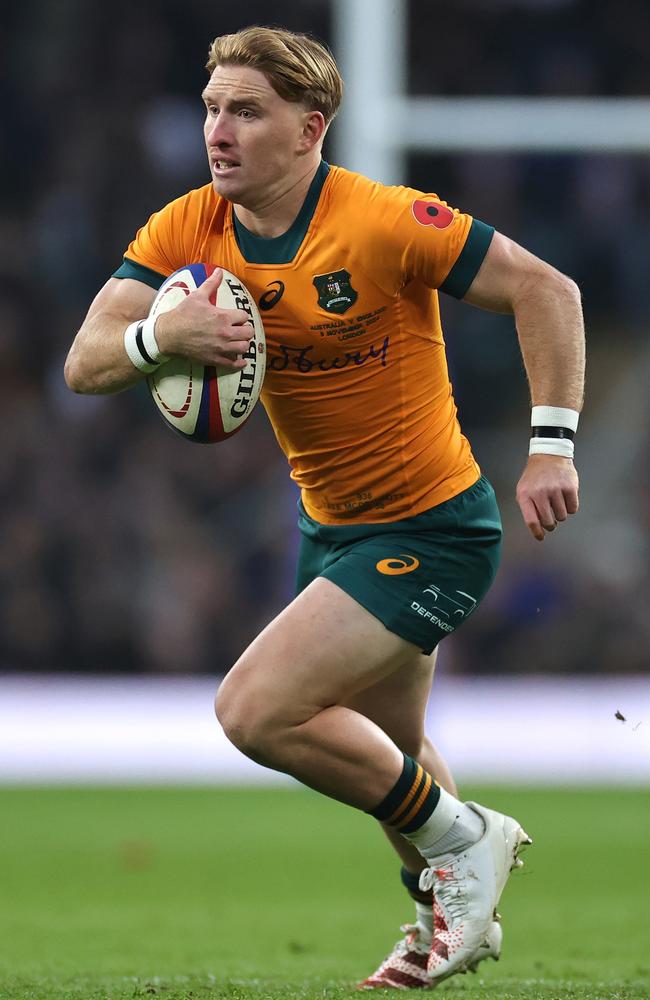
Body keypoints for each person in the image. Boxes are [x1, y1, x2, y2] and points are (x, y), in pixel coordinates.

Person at [64, 25, 585, 989]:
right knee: (395, 751)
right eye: (213, 107)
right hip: (334, 526)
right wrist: (159, 336)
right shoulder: (186, 229)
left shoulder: (386, 221)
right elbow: (85, 361)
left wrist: (550, 445)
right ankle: (449, 920)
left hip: (435, 529)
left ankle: (470, 841)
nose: (218, 129)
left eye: (247, 111)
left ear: (311, 129)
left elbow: (546, 289)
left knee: (256, 711)